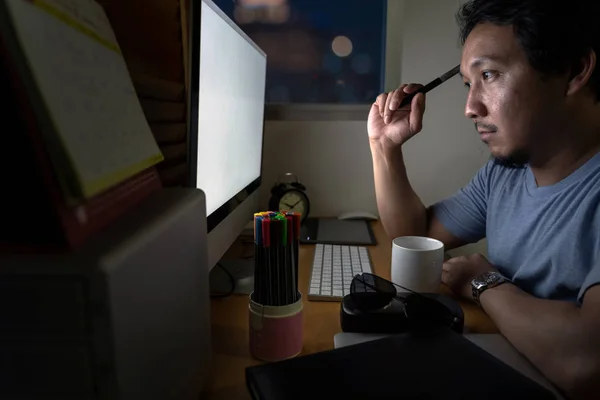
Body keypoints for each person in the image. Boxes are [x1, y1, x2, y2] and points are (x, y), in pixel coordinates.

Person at [367, 0, 600, 398]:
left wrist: (483, 282)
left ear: (574, 71)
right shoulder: (504, 175)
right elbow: (417, 234)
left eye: (488, 75)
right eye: (467, 84)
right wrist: (384, 147)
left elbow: (586, 363)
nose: (470, 108)